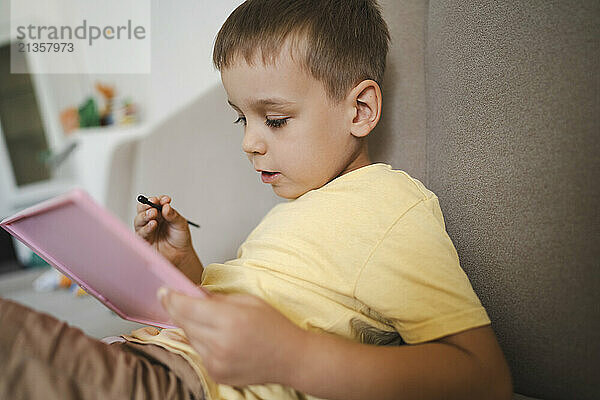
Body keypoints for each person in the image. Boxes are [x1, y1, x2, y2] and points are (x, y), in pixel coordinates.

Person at [0, 1, 512, 399]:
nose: (249, 142)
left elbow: (483, 378)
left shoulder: (390, 205)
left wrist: (293, 357)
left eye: (276, 119)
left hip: (185, 384)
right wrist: (185, 270)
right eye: (241, 119)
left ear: (359, 110)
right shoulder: (296, 213)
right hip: (142, 357)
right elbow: (259, 306)